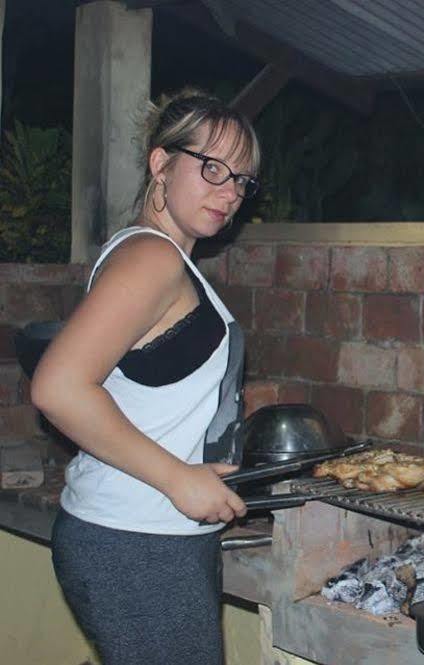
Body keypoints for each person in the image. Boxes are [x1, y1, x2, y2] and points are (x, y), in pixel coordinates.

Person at [31, 89, 260, 664]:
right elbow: (58, 387)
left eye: (241, 180)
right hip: (136, 542)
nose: (228, 191)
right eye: (212, 168)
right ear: (162, 163)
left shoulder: (160, 257)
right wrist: (179, 480)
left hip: (143, 537)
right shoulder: (150, 258)